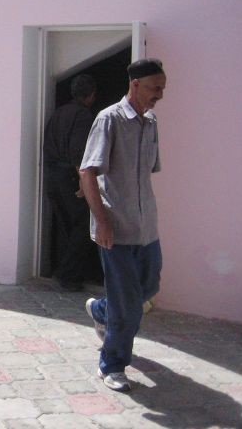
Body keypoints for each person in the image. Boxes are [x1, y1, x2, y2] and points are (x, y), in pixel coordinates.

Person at [79, 58, 167, 393]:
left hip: (147, 228)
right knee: (129, 305)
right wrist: (102, 222)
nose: (159, 94)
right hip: (115, 229)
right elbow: (88, 171)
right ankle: (112, 364)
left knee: (148, 287)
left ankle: (101, 309)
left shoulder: (152, 122)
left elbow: (146, 174)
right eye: (154, 87)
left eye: (162, 88)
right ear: (135, 84)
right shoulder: (109, 120)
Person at [43, 74, 99, 291]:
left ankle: (62, 271)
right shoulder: (83, 116)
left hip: (52, 175)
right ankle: (69, 276)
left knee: (65, 224)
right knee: (84, 225)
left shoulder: (58, 113)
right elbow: (78, 152)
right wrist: (83, 183)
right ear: (91, 95)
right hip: (70, 177)